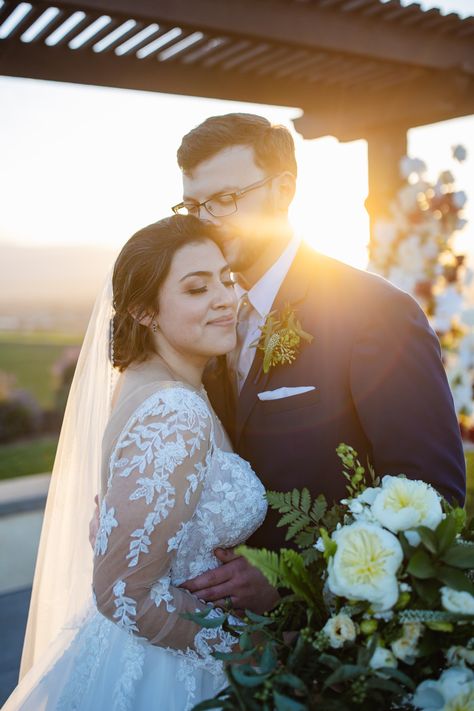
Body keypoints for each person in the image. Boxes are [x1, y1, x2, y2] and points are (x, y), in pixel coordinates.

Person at [170, 113, 466, 616]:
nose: (207, 220)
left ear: (284, 190)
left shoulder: (376, 313)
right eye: (195, 205)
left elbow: (429, 499)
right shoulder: (202, 317)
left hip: (328, 643)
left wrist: (292, 581)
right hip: (218, 639)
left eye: (224, 200)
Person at [3, 215, 267, 711]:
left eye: (226, 279)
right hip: (174, 672)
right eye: (196, 288)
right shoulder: (173, 409)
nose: (226, 298)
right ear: (146, 312)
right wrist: (258, 648)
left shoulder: (145, 380)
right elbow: (125, 591)